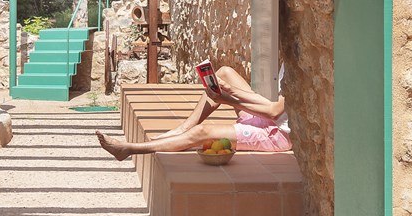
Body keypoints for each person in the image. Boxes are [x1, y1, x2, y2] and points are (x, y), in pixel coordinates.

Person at [96, 64, 291, 162]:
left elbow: (274, 113)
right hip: (269, 119)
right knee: (224, 72)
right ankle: (182, 130)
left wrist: (227, 99)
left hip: (277, 135)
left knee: (202, 132)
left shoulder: (297, 68)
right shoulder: (289, 62)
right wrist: (230, 91)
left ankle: (129, 149)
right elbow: (274, 108)